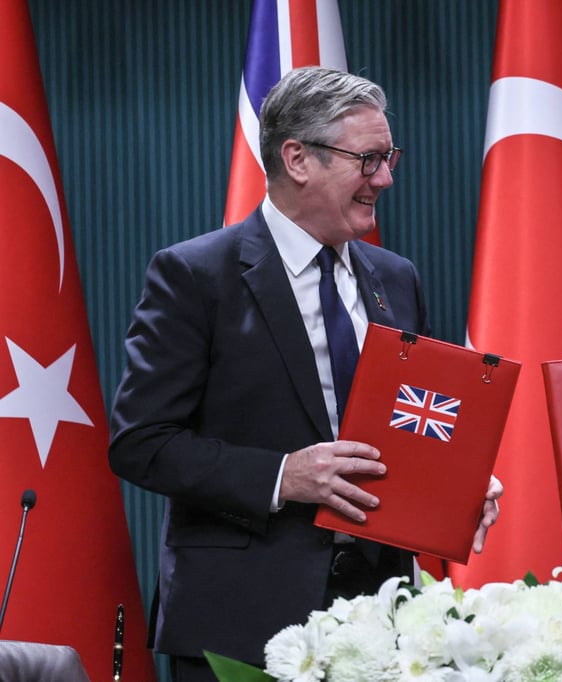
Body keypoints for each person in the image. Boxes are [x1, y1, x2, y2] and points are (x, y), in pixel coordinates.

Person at [108, 67, 502, 682]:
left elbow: (405, 425)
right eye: (368, 160)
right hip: (242, 624)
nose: (386, 178)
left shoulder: (395, 277)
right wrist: (282, 475)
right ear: (297, 158)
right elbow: (141, 444)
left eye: (389, 157)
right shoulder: (196, 276)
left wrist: (455, 483)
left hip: (381, 619)